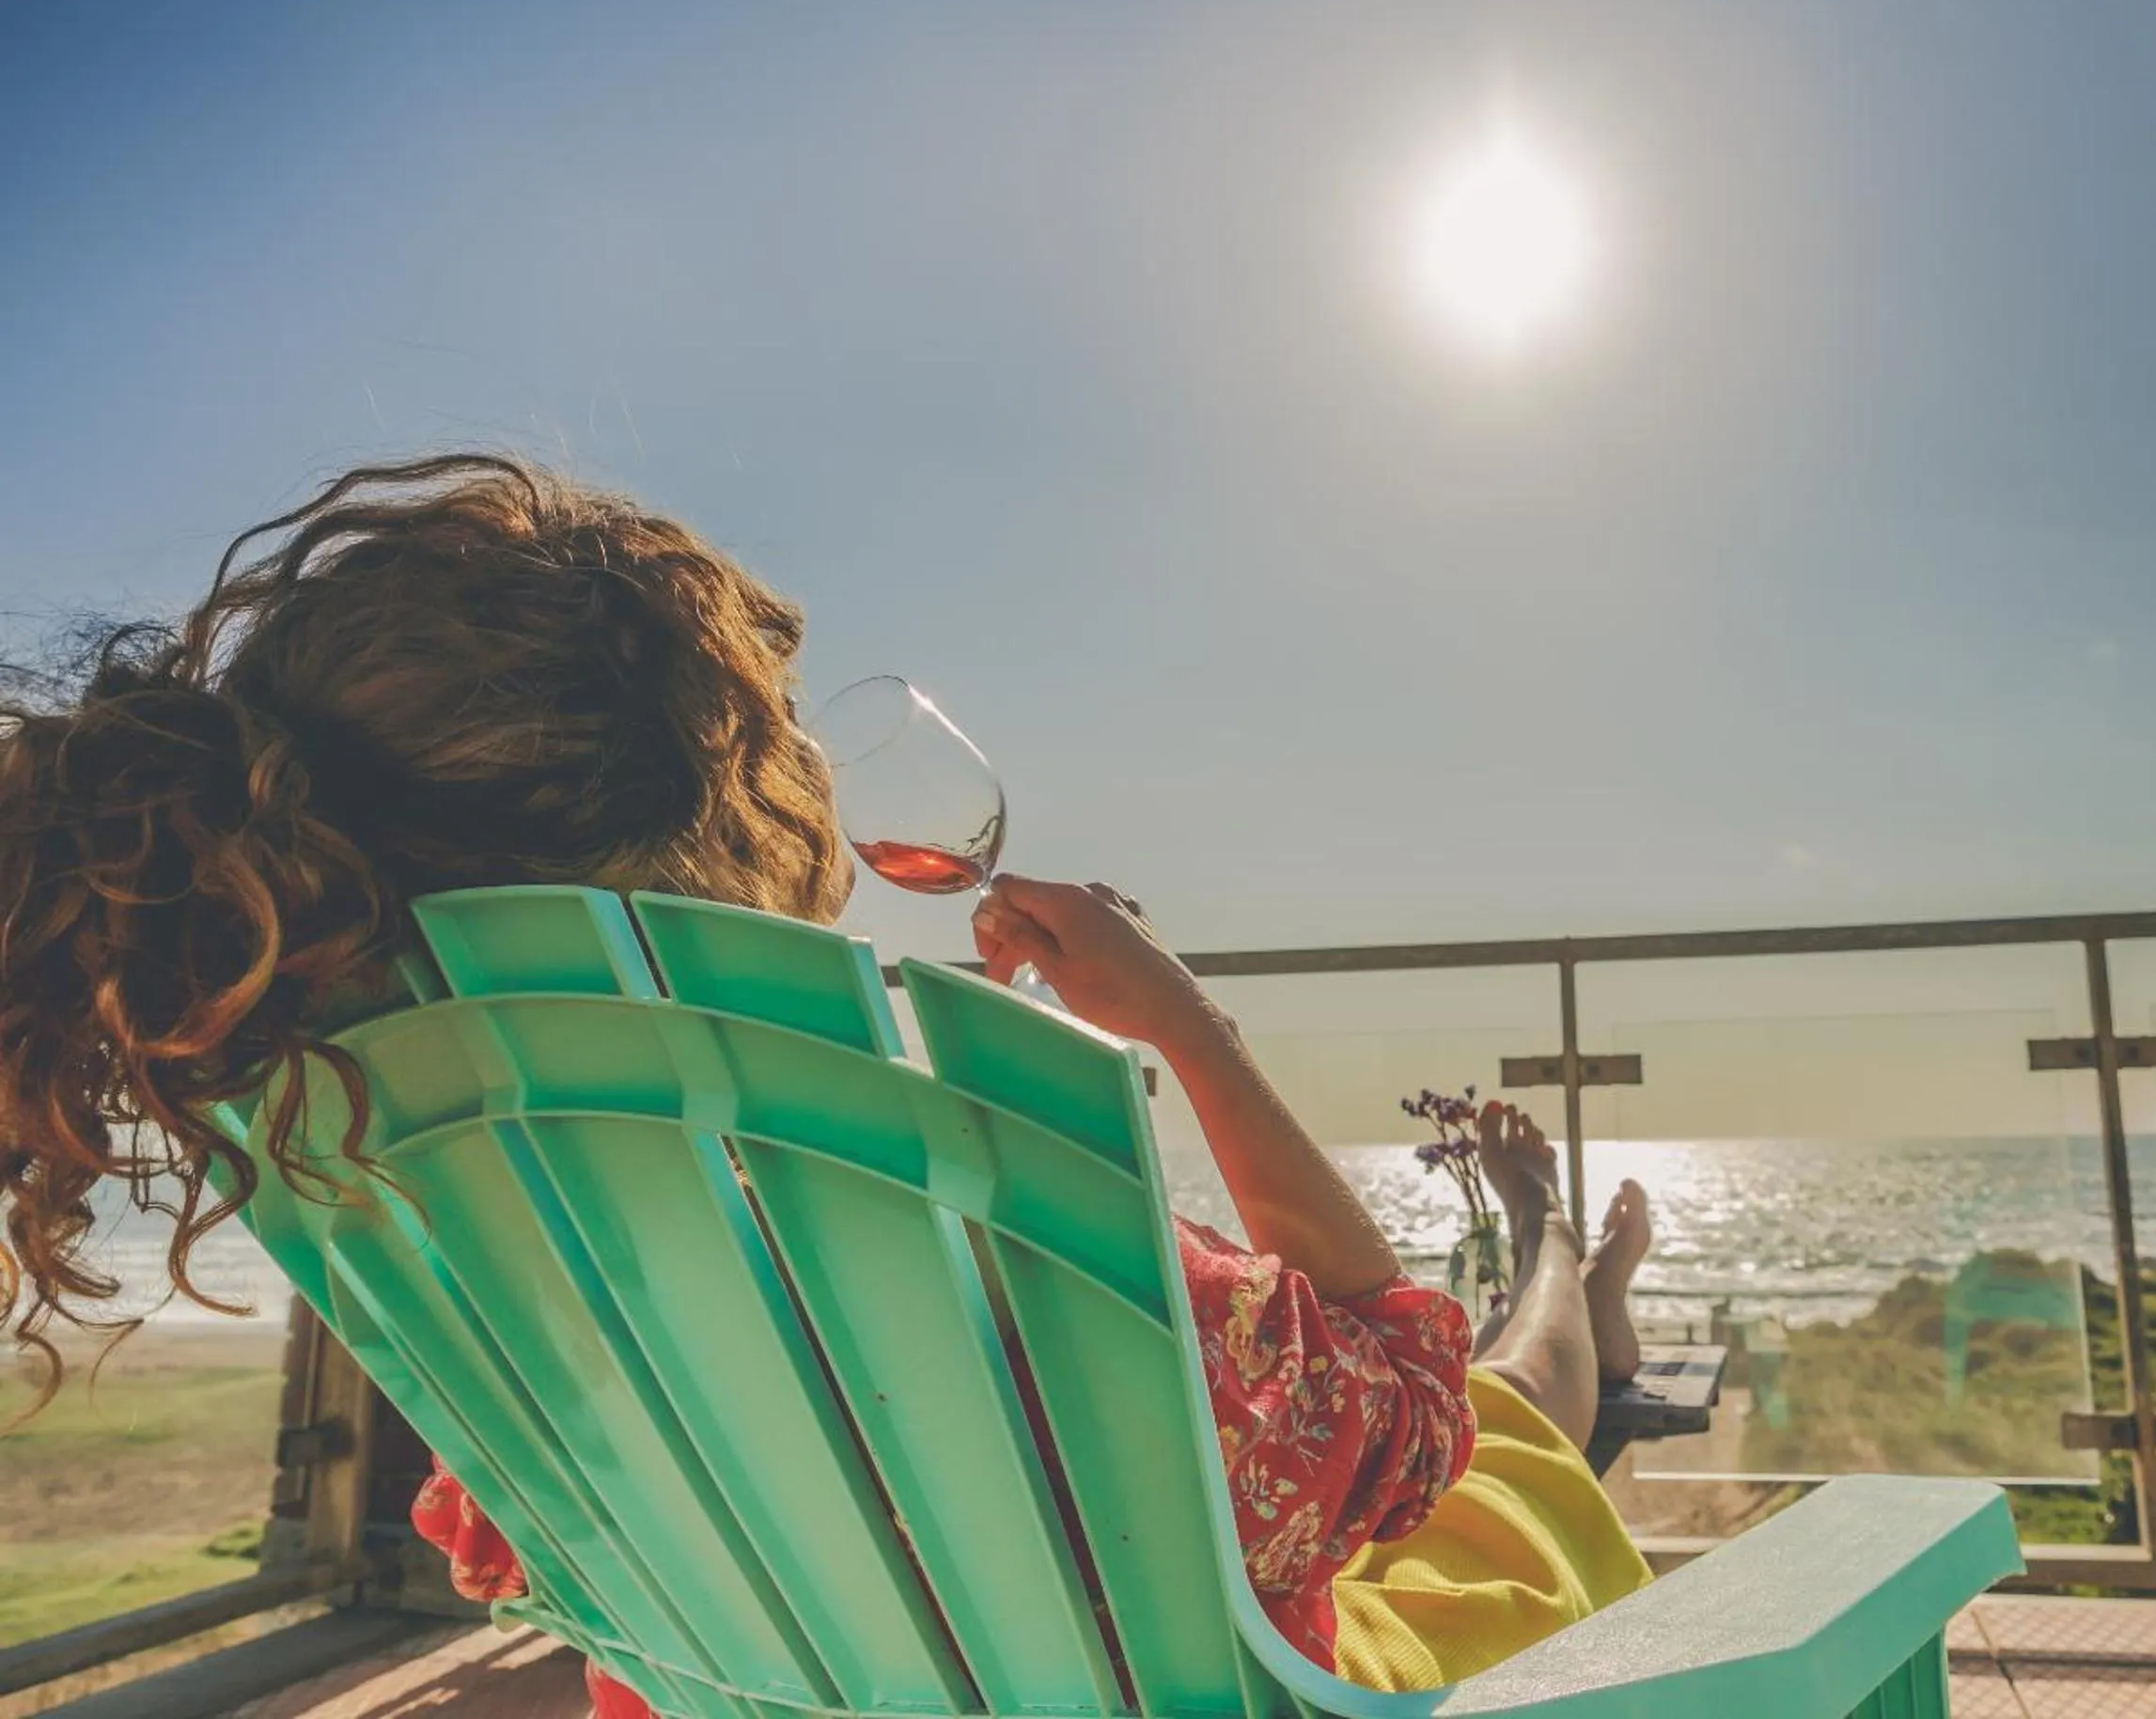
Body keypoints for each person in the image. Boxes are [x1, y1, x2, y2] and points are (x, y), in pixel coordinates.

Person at [0, 455, 1653, 1710]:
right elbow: (1404, 1425)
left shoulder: (443, 1222)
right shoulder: (946, 1223)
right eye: (784, 731)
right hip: (1226, 1670)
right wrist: (1188, 1031)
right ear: (711, 835)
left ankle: (1560, 1266)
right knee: (1510, 1425)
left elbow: (523, 1547)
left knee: (1501, 1413)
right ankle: (1556, 1253)